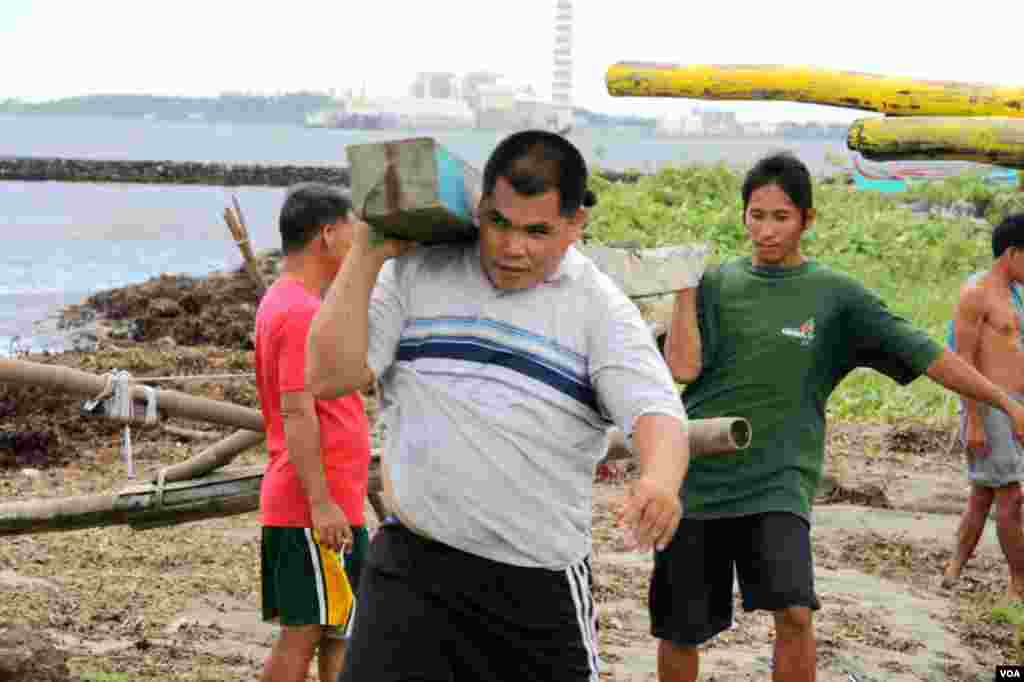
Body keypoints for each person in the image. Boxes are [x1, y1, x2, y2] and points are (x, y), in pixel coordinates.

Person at [306, 130, 690, 682]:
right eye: (499, 223)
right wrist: (368, 250)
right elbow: (325, 376)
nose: (514, 248)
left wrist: (660, 479)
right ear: (479, 206)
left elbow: (656, 412)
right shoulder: (417, 271)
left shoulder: (597, 308)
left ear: (574, 225)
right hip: (413, 568)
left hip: (534, 587)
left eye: (538, 231)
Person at [656, 152, 1024, 682]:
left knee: (795, 613)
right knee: (680, 629)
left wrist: (1005, 402)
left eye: (780, 217)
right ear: (743, 216)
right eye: (755, 215)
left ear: (807, 219)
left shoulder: (835, 297)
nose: (766, 230)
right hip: (696, 484)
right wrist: (684, 288)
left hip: (777, 484)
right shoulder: (714, 285)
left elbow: (928, 354)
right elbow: (683, 366)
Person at [255, 183, 372, 682]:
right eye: (352, 230)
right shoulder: (299, 312)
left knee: (339, 632)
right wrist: (321, 502)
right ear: (327, 234)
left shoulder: (289, 301)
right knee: (303, 634)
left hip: (332, 499)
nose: (357, 242)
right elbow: (297, 411)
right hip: (312, 505)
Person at [941, 213, 1024, 599]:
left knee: (982, 495)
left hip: (1015, 408)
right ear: (1012, 254)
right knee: (1011, 498)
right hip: (988, 410)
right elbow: (963, 362)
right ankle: (1019, 580)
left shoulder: (1016, 293)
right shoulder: (976, 293)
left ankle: (954, 567)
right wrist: (974, 421)